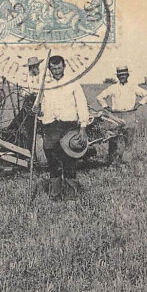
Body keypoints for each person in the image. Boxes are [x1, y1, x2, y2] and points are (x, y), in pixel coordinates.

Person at [37, 55, 90, 200]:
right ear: (49, 69)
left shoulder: (72, 83)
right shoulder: (45, 85)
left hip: (68, 127)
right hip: (50, 128)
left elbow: (82, 105)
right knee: (52, 162)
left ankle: (71, 195)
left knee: (69, 162)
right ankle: (55, 195)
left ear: (64, 66)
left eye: (59, 68)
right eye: (53, 69)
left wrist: (83, 127)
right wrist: (38, 111)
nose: (56, 71)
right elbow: (39, 107)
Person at [95, 65, 147, 164]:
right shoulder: (112, 87)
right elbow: (99, 97)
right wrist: (106, 106)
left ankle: (126, 163)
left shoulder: (133, 87)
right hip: (115, 116)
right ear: (117, 76)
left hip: (129, 115)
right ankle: (112, 162)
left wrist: (139, 104)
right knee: (113, 140)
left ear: (128, 75)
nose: (122, 76)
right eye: (120, 75)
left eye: (124, 74)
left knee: (128, 140)